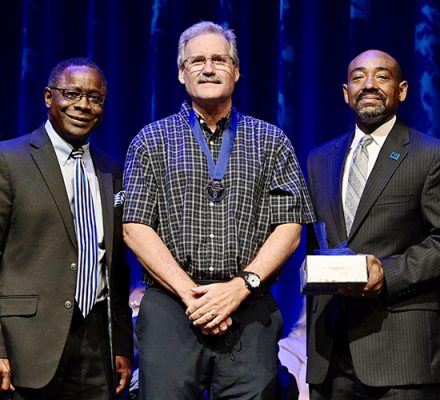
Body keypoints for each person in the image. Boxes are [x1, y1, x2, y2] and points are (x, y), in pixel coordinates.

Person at [123, 21, 315, 399]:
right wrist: (193, 296)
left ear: (236, 70)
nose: (208, 68)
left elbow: (289, 227)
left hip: (249, 305)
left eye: (219, 60)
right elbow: (134, 227)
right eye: (197, 61)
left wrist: (239, 287)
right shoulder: (150, 140)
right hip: (171, 306)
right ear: (182, 73)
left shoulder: (271, 141)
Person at [306, 49, 440, 399]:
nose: (368, 84)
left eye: (382, 76)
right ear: (345, 92)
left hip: (401, 355)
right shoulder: (320, 159)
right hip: (331, 356)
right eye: (358, 77)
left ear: (402, 90)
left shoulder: (429, 154)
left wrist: (387, 274)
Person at [0, 58, 133, 399]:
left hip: (96, 345)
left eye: (95, 98)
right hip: (25, 345)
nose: (84, 105)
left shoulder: (111, 171)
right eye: (72, 94)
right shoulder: (9, 160)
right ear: (49, 97)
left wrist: (121, 344)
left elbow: (116, 268)